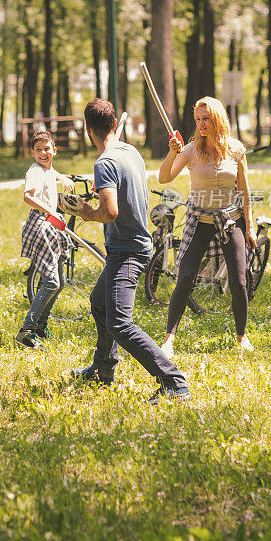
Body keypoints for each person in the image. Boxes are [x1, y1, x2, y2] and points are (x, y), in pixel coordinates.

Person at [71, 99, 191, 405]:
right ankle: (103, 368)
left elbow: (109, 211)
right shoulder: (129, 151)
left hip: (127, 249)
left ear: (88, 129)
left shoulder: (105, 163)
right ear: (114, 124)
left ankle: (173, 381)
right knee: (99, 302)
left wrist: (87, 212)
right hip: (135, 244)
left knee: (120, 324)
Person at [159, 97, 256, 359]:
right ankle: (169, 338)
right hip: (200, 222)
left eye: (206, 118)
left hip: (229, 221)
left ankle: (241, 336)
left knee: (238, 280)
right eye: (198, 119)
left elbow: (245, 191)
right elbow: (164, 177)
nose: (201, 124)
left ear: (218, 119)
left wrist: (250, 226)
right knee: (186, 275)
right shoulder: (189, 150)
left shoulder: (236, 149)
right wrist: (172, 152)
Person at [16, 130, 75, 351]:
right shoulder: (35, 172)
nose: (43, 153)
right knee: (51, 282)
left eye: (47, 149)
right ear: (32, 153)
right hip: (42, 224)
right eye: (38, 150)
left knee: (59, 281)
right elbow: (28, 196)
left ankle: (41, 325)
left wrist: (62, 178)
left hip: (52, 223)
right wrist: (50, 211)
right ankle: (27, 330)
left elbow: (51, 172)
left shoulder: (47, 169)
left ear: (54, 151)